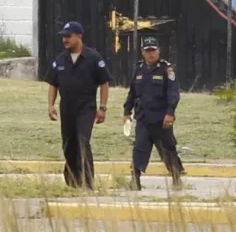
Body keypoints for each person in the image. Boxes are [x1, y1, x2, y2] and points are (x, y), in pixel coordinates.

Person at [45, 21, 111, 190]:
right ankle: (73, 182)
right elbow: (53, 83)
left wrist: (102, 108)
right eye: (63, 37)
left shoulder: (93, 58)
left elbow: (104, 83)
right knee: (68, 145)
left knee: (83, 142)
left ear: (79, 36)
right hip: (66, 108)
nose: (64, 40)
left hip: (86, 108)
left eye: (68, 36)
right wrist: (51, 105)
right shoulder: (60, 59)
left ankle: (88, 184)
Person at [123, 36, 185, 190]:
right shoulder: (139, 69)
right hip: (143, 117)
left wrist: (170, 113)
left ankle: (176, 178)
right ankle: (135, 180)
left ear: (159, 51)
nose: (151, 54)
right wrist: (126, 111)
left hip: (161, 118)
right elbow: (132, 92)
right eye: (147, 51)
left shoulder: (166, 69)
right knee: (139, 148)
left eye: (153, 50)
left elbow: (173, 93)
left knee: (168, 148)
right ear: (143, 52)